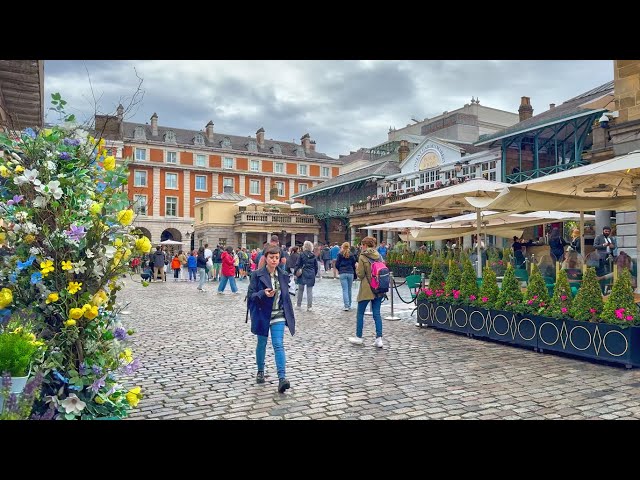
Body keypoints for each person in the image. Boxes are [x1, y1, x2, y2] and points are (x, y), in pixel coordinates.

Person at [248, 244, 296, 393]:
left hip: (278, 314)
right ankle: (260, 370)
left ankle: (282, 378)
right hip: (262, 315)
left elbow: (288, 294)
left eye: (276, 257)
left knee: (278, 344)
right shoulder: (256, 274)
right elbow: (250, 297)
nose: (274, 260)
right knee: (261, 343)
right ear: (265, 258)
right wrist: (263, 293)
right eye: (271, 257)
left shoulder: (283, 274)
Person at [349, 236, 384, 348]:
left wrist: (357, 267)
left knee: (360, 313)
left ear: (365, 245)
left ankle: (359, 337)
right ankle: (379, 339)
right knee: (377, 314)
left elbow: (361, 275)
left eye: (362, 245)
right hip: (378, 288)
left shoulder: (363, 256)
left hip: (366, 288)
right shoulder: (379, 256)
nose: (361, 247)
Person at [295, 240, 318, 311]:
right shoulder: (313, 255)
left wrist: (296, 272)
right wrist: (314, 274)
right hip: (311, 273)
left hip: (302, 273)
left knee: (300, 290)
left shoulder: (301, 254)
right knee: (309, 291)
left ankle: (299, 305)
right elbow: (316, 266)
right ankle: (309, 306)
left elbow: (298, 264)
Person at [336, 242, 357, 311]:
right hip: (350, 272)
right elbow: (354, 264)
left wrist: (340, 269)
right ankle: (349, 304)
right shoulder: (351, 255)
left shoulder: (340, 254)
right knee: (349, 289)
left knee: (345, 290)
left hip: (342, 272)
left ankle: (346, 305)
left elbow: (337, 264)